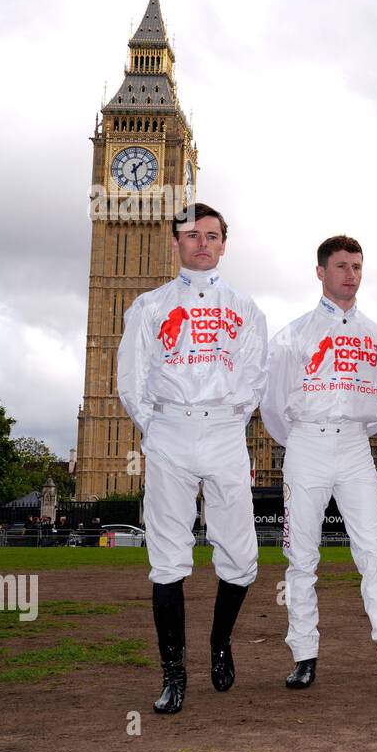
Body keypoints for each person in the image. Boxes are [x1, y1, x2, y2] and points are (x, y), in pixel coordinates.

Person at [260, 234, 377, 690]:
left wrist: (348, 431)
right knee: (302, 556)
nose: (351, 275)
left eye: (357, 266)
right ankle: (304, 655)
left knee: (375, 551)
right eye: (341, 266)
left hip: (356, 448)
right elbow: (273, 407)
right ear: (320, 272)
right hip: (306, 446)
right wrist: (303, 439)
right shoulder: (291, 337)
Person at [117, 202, 268, 714]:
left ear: (224, 243)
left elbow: (254, 378)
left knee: (242, 557)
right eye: (191, 234)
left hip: (225, 430)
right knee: (167, 559)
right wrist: (157, 426)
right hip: (169, 431)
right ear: (176, 242)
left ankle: (220, 643)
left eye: (211, 235)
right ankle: (173, 674)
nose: (201, 242)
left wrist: (227, 418)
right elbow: (132, 379)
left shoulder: (246, 309)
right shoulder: (148, 307)